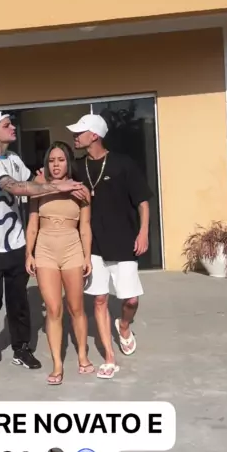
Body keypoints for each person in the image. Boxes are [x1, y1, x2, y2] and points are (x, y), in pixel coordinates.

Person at [0, 111, 86, 368]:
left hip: (16, 241)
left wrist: (53, 176)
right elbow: (17, 188)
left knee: (19, 299)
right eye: (6, 125)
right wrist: (57, 186)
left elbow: (33, 182)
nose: (13, 127)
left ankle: (21, 348)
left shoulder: (14, 158)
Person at [67, 114, 152, 379]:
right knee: (100, 298)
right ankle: (109, 357)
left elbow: (143, 202)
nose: (75, 136)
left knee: (131, 299)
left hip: (124, 240)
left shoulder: (123, 164)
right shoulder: (77, 167)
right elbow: (56, 180)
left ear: (94, 135)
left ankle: (124, 326)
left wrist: (143, 233)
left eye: (80, 132)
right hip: (93, 244)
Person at [25, 141, 93, 385]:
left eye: (61, 160)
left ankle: (83, 355)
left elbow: (85, 227)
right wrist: (29, 254)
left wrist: (87, 256)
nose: (56, 165)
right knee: (54, 309)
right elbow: (32, 225)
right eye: (52, 160)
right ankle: (57, 364)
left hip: (72, 249)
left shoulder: (81, 190)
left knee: (76, 307)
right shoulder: (38, 189)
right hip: (45, 250)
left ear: (68, 162)